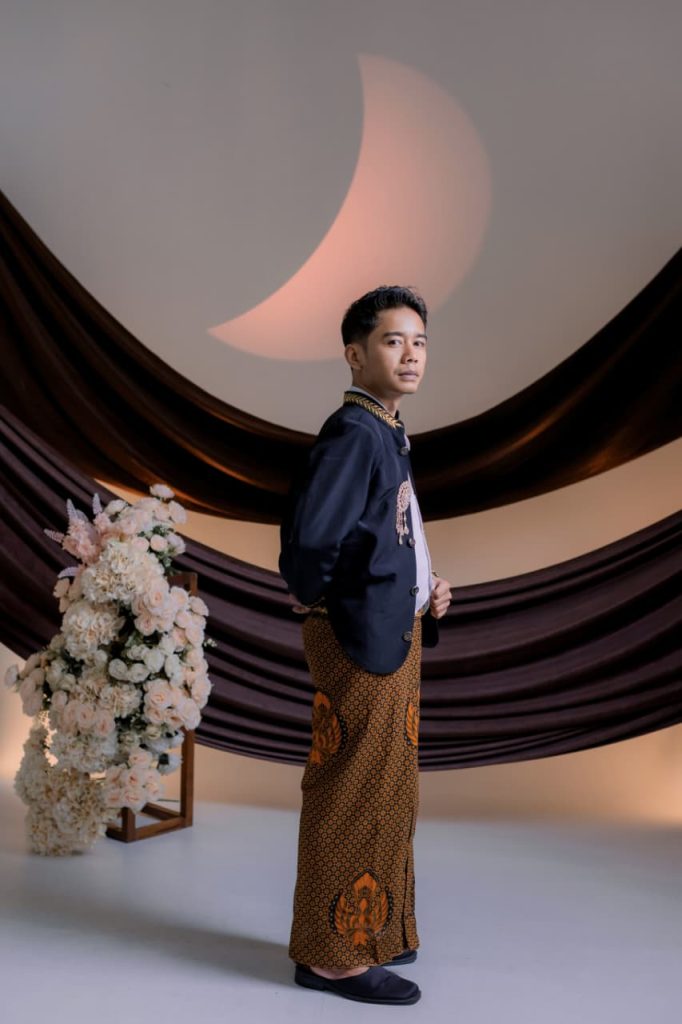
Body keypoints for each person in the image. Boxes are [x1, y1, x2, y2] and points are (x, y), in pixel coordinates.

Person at [279, 285, 452, 1006]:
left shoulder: (386, 428)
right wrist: (324, 599)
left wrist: (424, 584)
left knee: (385, 791)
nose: (410, 354)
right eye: (392, 340)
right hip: (361, 638)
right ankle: (334, 958)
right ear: (355, 354)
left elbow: (384, 533)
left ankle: (371, 933)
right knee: (352, 794)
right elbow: (311, 541)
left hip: (390, 632)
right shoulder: (355, 431)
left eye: (419, 341)